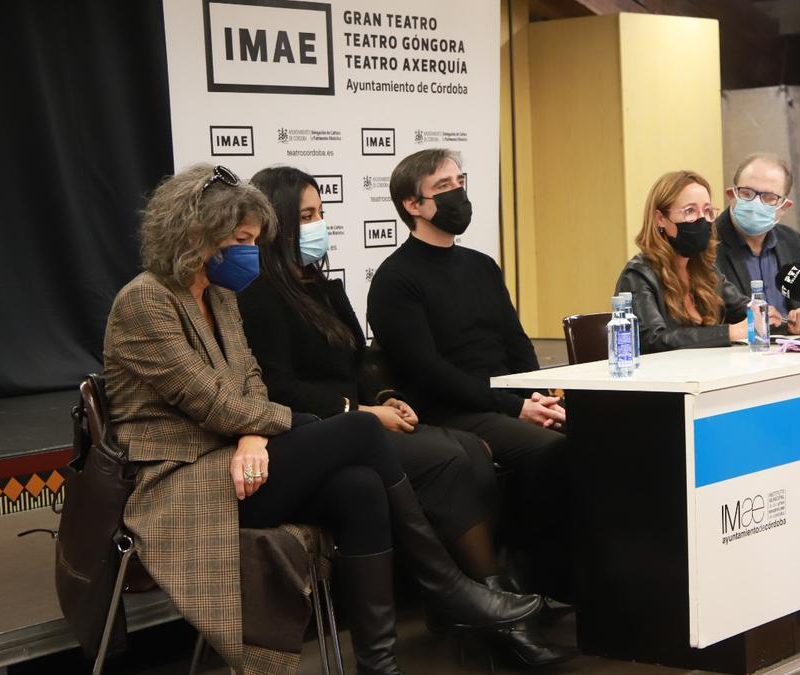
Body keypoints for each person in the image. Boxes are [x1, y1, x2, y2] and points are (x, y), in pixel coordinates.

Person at [103, 164, 540, 675]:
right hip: (187, 478)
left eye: (254, 239)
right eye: (241, 240)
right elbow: (213, 404)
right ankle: (447, 585)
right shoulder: (144, 302)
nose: (250, 252)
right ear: (195, 234)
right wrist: (268, 425)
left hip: (242, 457)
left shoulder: (219, 297)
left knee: (358, 487)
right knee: (357, 430)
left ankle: (380, 665)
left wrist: (252, 434)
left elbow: (248, 384)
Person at [240, 166, 572, 667]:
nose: (318, 225)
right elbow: (278, 386)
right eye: (306, 215)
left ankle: (482, 600)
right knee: (451, 457)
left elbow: (358, 364)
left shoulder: (324, 287)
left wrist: (386, 396)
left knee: (468, 453)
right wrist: (361, 411)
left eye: (321, 213)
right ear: (278, 223)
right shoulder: (261, 293)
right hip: (321, 429)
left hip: (361, 418)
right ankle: (489, 610)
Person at [367, 149, 571, 602]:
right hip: (449, 411)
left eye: (460, 181)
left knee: (593, 431)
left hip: (503, 401)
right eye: (443, 187)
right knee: (550, 450)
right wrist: (516, 407)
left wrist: (540, 397)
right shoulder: (396, 280)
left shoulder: (481, 265)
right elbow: (430, 371)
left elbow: (516, 343)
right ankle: (519, 575)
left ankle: (571, 574)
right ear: (412, 205)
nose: (458, 193)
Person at [615, 169, 782, 353]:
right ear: (660, 218)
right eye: (690, 211)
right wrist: (730, 332)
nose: (702, 220)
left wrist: (784, 322)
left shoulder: (704, 270)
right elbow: (651, 339)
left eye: (707, 211)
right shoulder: (638, 274)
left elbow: (745, 310)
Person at [714, 152, 800, 335]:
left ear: (784, 207)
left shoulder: (791, 241)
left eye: (769, 197)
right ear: (732, 195)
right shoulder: (708, 244)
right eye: (747, 193)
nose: (756, 202)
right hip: (737, 355)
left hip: (792, 351)